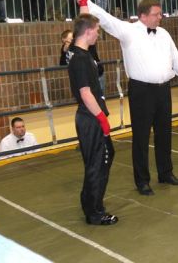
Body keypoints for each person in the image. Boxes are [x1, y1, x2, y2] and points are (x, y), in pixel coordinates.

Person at [74, 0, 178, 196]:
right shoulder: (128, 31)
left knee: (164, 133)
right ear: (143, 16)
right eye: (156, 14)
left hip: (163, 90)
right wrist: (85, 0)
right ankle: (142, 181)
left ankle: (166, 172)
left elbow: (175, 57)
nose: (160, 17)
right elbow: (106, 19)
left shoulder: (164, 34)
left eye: (160, 14)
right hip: (141, 91)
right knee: (141, 137)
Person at [67, 13, 118, 226]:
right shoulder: (80, 59)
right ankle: (94, 212)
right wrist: (101, 118)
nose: (98, 34)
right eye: (97, 30)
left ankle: (91, 203)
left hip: (90, 117)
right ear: (88, 32)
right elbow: (86, 93)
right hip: (90, 118)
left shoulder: (81, 53)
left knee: (103, 157)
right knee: (98, 163)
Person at [59, 29, 106, 96]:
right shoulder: (68, 48)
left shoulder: (84, 43)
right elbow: (62, 64)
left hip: (96, 74)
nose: (69, 43)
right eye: (66, 42)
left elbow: (89, 55)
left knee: (99, 98)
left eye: (72, 39)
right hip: (84, 79)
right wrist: (64, 52)